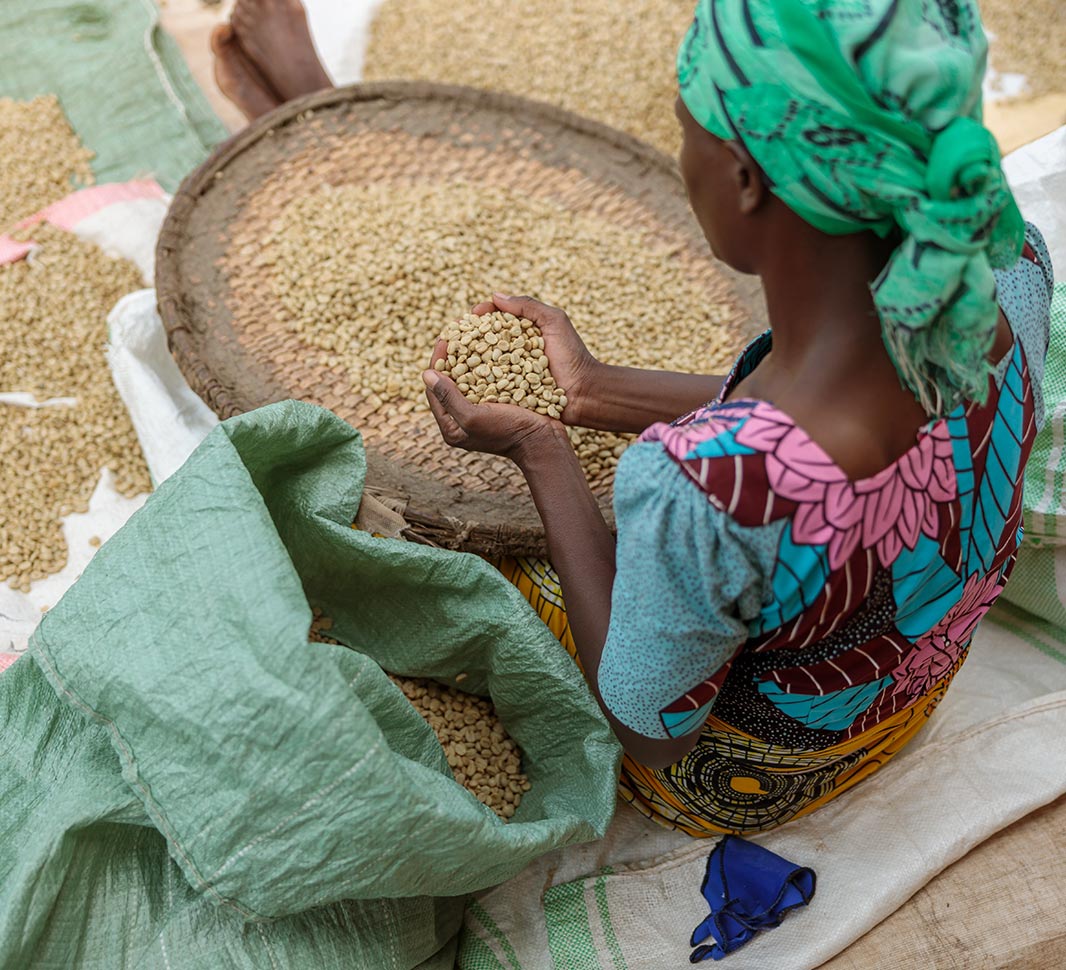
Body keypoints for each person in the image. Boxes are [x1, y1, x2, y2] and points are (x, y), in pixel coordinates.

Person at [421, 0, 1053, 835]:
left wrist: (544, 451)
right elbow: (824, 433)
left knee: (446, 548)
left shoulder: (708, 485)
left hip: (745, 774)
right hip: (902, 702)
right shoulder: (1006, 274)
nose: (679, 158)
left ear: (747, 178)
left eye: (685, 131)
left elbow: (652, 732)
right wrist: (596, 392)